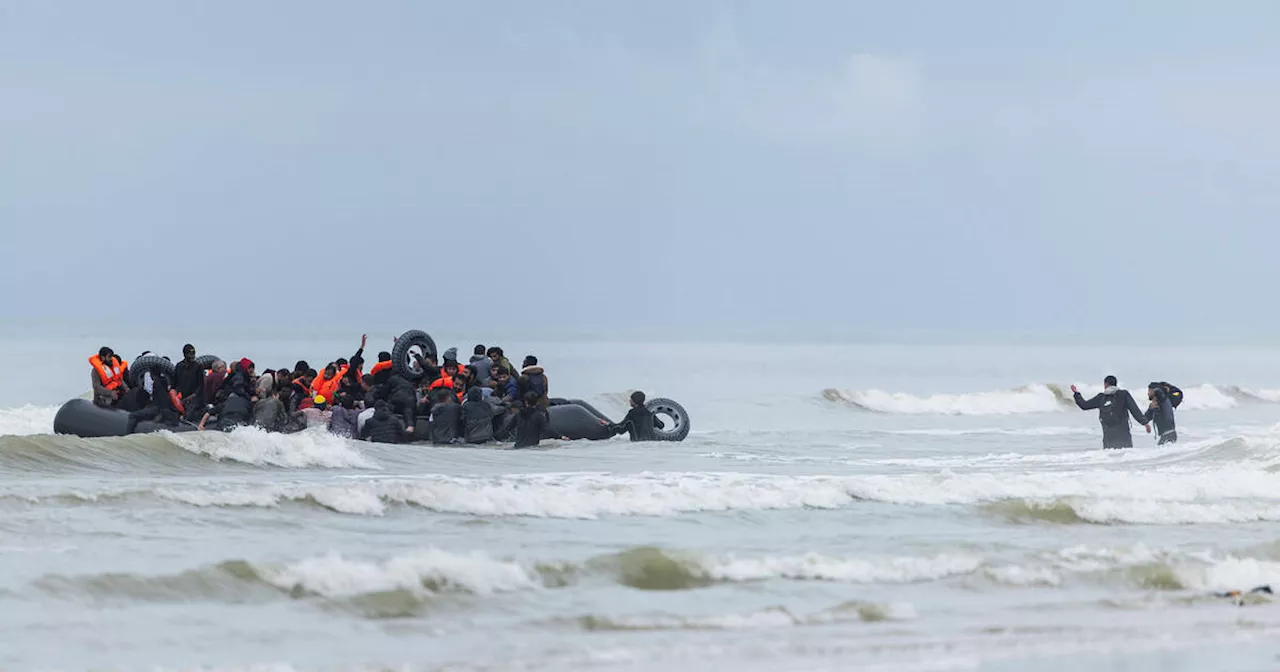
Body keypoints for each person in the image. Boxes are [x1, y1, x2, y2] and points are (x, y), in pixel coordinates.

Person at [1071, 376, 1149, 449]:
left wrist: (1076, 393)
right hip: (1123, 436)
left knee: (1110, 460)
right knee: (1126, 459)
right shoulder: (1123, 394)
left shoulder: (1101, 397)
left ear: (1105, 384)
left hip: (1108, 437)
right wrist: (1145, 423)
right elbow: (1134, 409)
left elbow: (1084, 405)